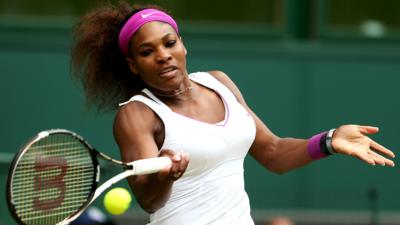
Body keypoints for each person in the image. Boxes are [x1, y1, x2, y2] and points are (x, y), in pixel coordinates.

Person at [70, 1, 395, 224]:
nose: (163, 56)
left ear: (183, 45)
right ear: (133, 66)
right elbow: (148, 200)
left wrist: (330, 140)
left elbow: (274, 153)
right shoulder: (137, 115)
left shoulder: (219, 82)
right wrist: (166, 175)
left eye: (169, 44)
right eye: (147, 51)